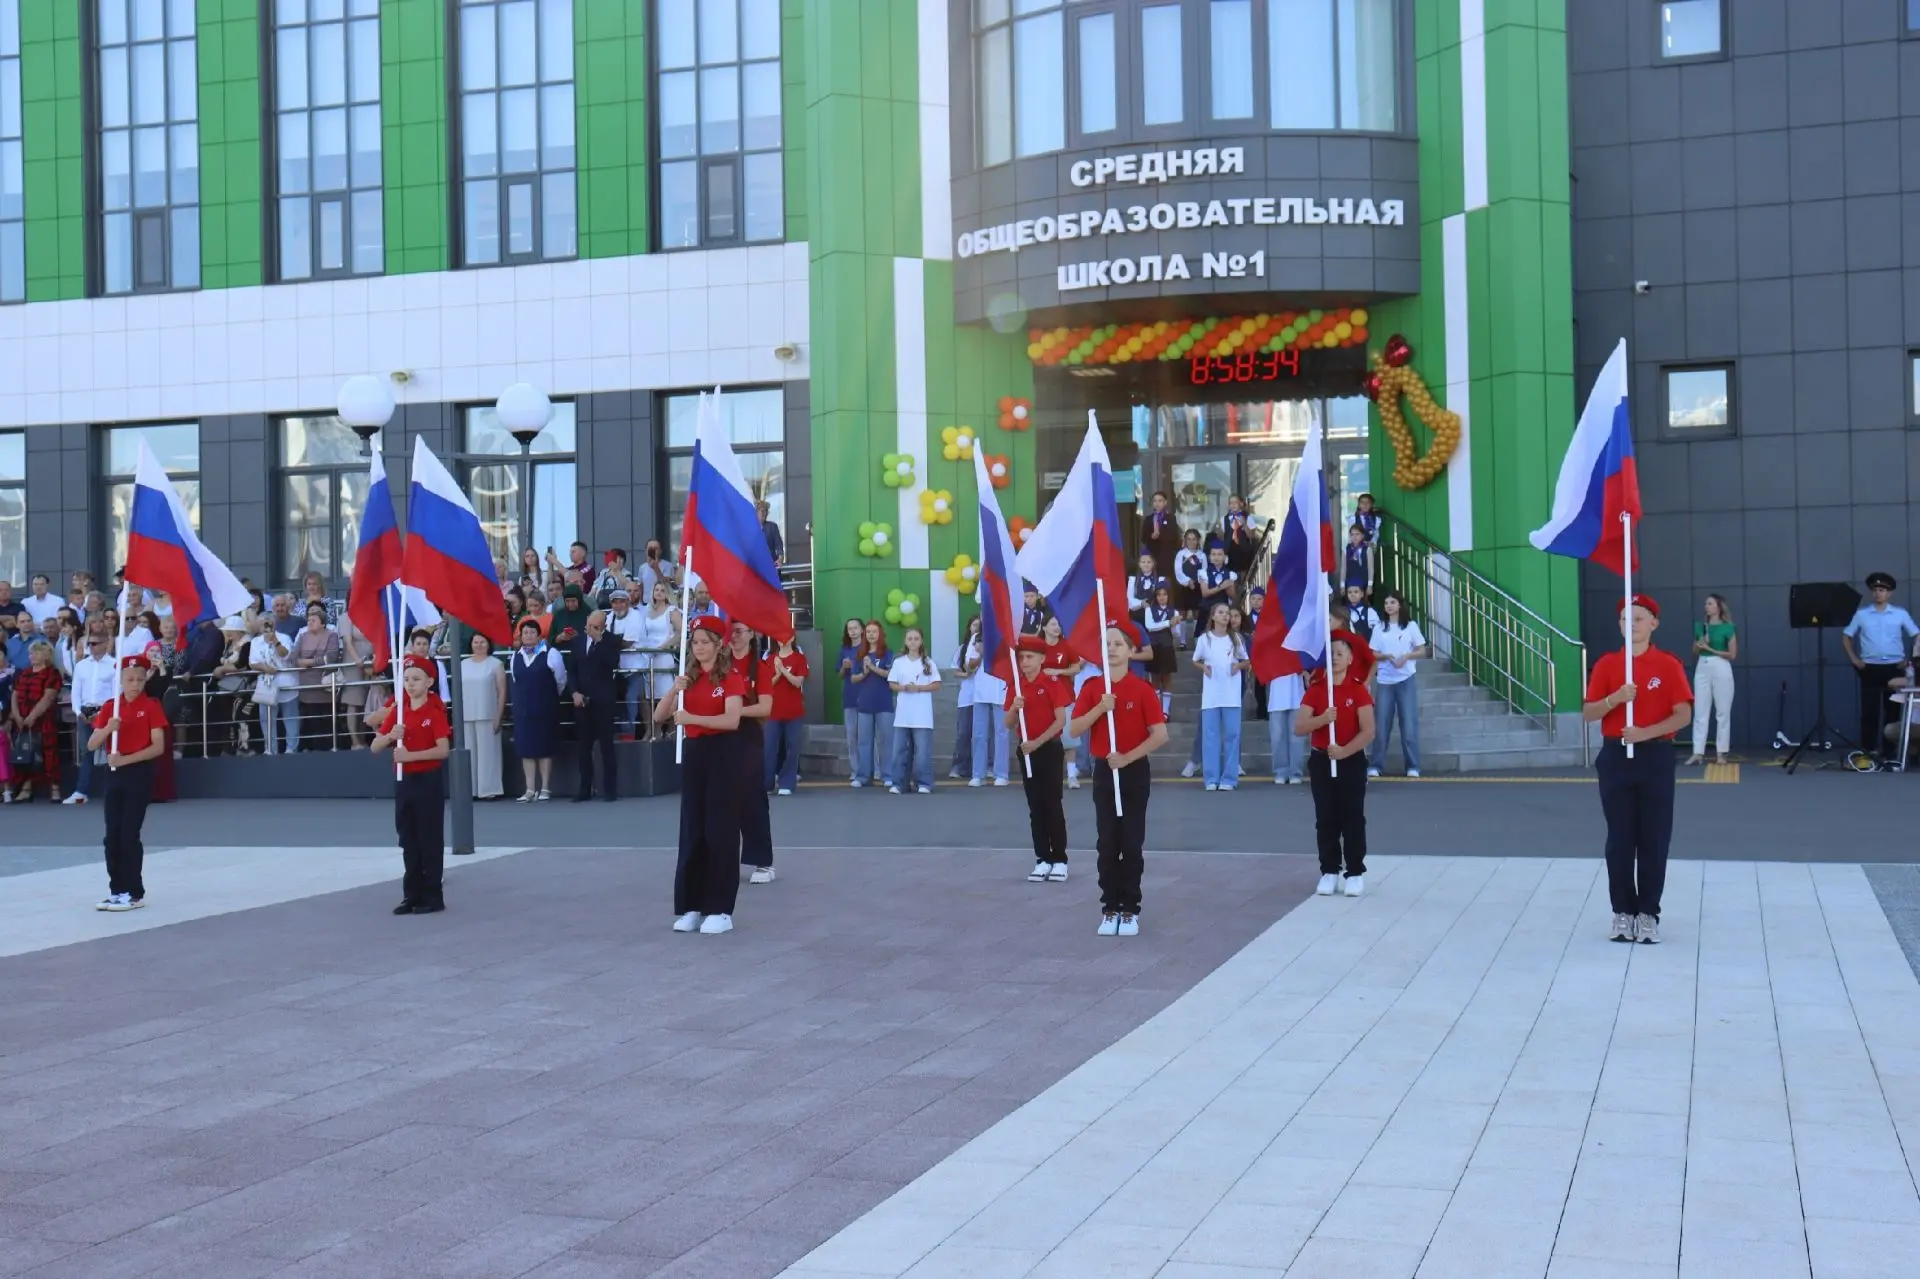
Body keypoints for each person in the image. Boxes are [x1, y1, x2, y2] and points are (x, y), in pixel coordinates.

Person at [1583, 595, 1692, 944]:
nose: (1631, 625)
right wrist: (1615, 699)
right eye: (1625, 619)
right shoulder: (1607, 664)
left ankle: (1647, 913)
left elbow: (1683, 714)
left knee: (1653, 838)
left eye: (1639, 619)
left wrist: (1645, 732)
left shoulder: (1667, 664)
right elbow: (1589, 712)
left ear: (1653, 624)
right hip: (1616, 757)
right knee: (1620, 839)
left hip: (1654, 757)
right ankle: (1622, 912)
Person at [1070, 621, 1169, 936]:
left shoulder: (1142, 689)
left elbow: (1160, 734)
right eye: (1107, 644)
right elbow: (1074, 728)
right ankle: (1109, 907)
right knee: (1107, 843)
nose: (1111, 649)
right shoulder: (1092, 688)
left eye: (1118, 644)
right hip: (1104, 771)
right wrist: (1101, 708)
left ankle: (1130, 910)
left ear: (1130, 651)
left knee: (1132, 842)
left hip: (1133, 770)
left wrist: (1128, 757)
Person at [655, 615, 746, 934]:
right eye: (695, 642)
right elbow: (660, 716)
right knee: (692, 829)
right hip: (695, 754)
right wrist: (673, 691)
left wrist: (693, 718)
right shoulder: (688, 678)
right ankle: (692, 905)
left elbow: (732, 720)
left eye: (705, 642)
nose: (699, 647)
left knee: (720, 830)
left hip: (723, 754)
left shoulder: (731, 677)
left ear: (719, 644)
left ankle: (720, 909)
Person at [1298, 630, 1377, 898]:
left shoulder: (1358, 689)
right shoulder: (1317, 689)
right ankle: (1329, 870)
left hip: (1350, 760)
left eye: (1340, 653)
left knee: (1352, 817)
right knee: (1325, 817)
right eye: (1331, 654)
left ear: (1350, 658)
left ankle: (1354, 872)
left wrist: (1344, 752)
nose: (1335, 657)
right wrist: (1322, 719)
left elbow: (1369, 731)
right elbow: (1299, 726)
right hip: (1322, 760)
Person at [370, 655, 452, 915]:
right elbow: (375, 746)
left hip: (427, 779)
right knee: (408, 838)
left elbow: (443, 750)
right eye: (406, 679)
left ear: (429, 682)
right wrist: (390, 737)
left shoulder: (434, 711)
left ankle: (432, 895)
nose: (410, 684)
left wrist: (411, 756)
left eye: (416, 679)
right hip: (404, 781)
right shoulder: (398, 711)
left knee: (429, 838)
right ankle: (411, 894)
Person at [87, 656, 169, 911]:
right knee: (111, 835)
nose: (135, 684)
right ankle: (117, 890)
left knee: (128, 834)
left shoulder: (152, 705)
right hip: (114, 773)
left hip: (138, 772)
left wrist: (125, 760)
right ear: (121, 681)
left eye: (140, 680)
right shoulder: (111, 707)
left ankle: (134, 892)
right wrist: (107, 729)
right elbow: (91, 744)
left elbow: (158, 747)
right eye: (130, 679)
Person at [1006, 636, 1069, 882]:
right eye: (1021, 657)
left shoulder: (1052, 683)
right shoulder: (1017, 685)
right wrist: (1014, 707)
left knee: (1052, 804)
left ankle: (1060, 859)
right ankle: (1042, 858)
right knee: (1035, 807)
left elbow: (1060, 720)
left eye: (1030, 657)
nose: (1025, 662)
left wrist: (1037, 742)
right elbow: (1008, 723)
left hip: (1049, 749)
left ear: (1042, 659)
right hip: (1026, 751)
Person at [1842, 572, 1918, 759]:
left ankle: (1889, 751)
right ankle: (1867, 750)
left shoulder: (1900, 614)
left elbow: (1917, 634)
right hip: (1870, 667)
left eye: (1882, 590)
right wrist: (1854, 659)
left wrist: (1910, 660)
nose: (1878, 593)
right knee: (1869, 711)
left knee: (1892, 710)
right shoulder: (1862, 615)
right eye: (1875, 589)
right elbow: (1846, 636)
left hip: (1894, 668)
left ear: (1889, 593)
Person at [728, 622, 778, 878]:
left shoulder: (760, 668)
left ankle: (763, 862)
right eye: (732, 631)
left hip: (747, 736)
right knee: (723, 801)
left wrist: (735, 712)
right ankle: (722, 860)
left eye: (740, 631)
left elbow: (765, 707)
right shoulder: (720, 666)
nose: (734, 636)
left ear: (751, 635)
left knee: (752, 800)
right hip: (720, 736)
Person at [1370, 589, 1428, 779]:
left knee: (1409, 723)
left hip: (1406, 679)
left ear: (1400, 605)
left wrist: (1406, 656)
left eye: (1392, 602)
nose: (1389, 606)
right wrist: (1386, 656)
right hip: (1385, 680)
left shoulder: (1410, 626)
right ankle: (1376, 765)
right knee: (1381, 724)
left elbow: (1422, 650)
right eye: (1386, 603)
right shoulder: (1379, 627)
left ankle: (1413, 766)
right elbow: (1372, 653)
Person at [509, 617, 568, 801]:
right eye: (525, 632)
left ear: (539, 635)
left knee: (544, 748)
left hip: (545, 708)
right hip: (523, 710)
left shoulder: (551, 654)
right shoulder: (516, 656)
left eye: (532, 632)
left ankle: (545, 788)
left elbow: (561, 680)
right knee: (525, 749)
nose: (528, 635)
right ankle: (529, 789)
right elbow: (515, 680)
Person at [566, 609, 622, 802]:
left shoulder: (611, 640)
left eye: (595, 627)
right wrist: (574, 692)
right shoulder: (578, 641)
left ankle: (610, 789)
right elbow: (572, 670)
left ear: (603, 626)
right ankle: (584, 788)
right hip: (582, 701)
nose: (590, 629)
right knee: (583, 747)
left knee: (606, 746)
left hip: (603, 701)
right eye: (589, 625)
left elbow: (613, 663)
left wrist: (600, 641)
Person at [1194, 603, 1249, 792]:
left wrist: (1237, 666)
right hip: (1211, 696)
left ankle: (1229, 779)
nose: (1226, 616)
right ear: (1213, 617)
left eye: (1227, 613)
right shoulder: (1205, 639)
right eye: (1221, 613)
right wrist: (1204, 667)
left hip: (1231, 695)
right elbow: (1195, 660)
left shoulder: (1236, 639)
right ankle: (1211, 778)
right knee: (1210, 737)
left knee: (1232, 736)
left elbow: (1246, 660)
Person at [65, 628, 118, 806]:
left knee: (110, 752)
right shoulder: (81, 665)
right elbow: (75, 692)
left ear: (106, 644)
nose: (91, 647)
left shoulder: (114, 664)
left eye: (95, 643)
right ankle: (81, 792)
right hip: (85, 713)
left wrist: (103, 713)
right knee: (86, 753)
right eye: (89, 644)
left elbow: (116, 693)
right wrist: (78, 712)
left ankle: (113, 790)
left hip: (105, 712)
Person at [887, 627, 941, 794]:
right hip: (903, 715)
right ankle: (899, 783)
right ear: (905, 641)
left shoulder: (928, 662)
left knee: (923, 751)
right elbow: (892, 683)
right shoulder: (899, 662)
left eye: (916, 639)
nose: (913, 642)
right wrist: (904, 687)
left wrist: (918, 688)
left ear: (921, 641)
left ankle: (924, 783)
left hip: (922, 715)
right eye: (910, 639)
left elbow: (936, 684)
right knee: (899, 751)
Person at [8, 640, 64, 802]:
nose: (31, 656)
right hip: (22, 720)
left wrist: (32, 717)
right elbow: (14, 695)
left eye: (36, 652)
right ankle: (26, 788)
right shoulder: (24, 673)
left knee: (48, 753)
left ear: (46, 655)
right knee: (25, 753)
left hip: (43, 719)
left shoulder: (52, 673)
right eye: (31, 653)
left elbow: (48, 697)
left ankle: (54, 788)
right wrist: (17, 716)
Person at [1688, 593, 1738, 765]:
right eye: (1705, 604)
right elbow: (1695, 651)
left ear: (1718, 607)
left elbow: (1732, 654)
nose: (1706, 607)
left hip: (1721, 666)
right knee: (1700, 710)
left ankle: (1721, 753)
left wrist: (1711, 649)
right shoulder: (1700, 627)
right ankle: (1697, 752)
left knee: (1722, 711)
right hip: (1702, 665)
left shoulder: (1728, 627)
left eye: (1710, 603)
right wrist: (1700, 643)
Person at [460, 632, 507, 799]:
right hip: (466, 715)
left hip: (488, 714)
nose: (479, 645)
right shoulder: (463, 664)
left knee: (489, 755)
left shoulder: (496, 664)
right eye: (476, 642)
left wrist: (498, 716)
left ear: (488, 644)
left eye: (482, 642)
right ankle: (471, 790)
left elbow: (502, 692)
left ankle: (489, 789)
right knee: (470, 755)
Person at [292, 603, 344, 750]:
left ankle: (330, 749)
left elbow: (331, 658)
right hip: (307, 688)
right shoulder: (302, 636)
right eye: (308, 620)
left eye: (313, 620)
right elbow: (293, 658)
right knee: (312, 722)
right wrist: (309, 661)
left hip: (325, 688)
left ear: (322, 623)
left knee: (327, 722)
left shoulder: (331, 635)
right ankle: (315, 750)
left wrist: (308, 662)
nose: (309, 622)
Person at [966, 618, 1010, 787]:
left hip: (1001, 690)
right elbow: (969, 666)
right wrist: (981, 654)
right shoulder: (977, 637)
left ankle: (1001, 773)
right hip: (981, 692)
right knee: (979, 734)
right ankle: (978, 773)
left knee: (1002, 733)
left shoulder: (1007, 635)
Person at [849, 620, 894, 787]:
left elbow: (890, 675)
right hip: (865, 703)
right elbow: (853, 678)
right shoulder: (859, 655)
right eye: (868, 632)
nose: (871, 634)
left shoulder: (887, 653)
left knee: (886, 740)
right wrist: (865, 672)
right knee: (864, 741)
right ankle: (863, 776)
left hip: (884, 702)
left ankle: (887, 775)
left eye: (874, 631)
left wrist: (873, 668)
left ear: (880, 634)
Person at [637, 580, 684, 736]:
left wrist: (665, 646)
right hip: (649, 656)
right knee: (649, 695)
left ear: (667, 593)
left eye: (662, 590)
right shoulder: (647, 610)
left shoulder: (672, 611)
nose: (659, 593)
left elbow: (681, 632)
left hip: (664, 655)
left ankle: (668, 730)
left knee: (667, 694)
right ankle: (653, 730)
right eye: (656, 589)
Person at [765, 632, 808, 798]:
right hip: (772, 711)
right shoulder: (770, 659)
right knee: (769, 747)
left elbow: (798, 682)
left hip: (793, 711)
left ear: (792, 639)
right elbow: (766, 684)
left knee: (792, 747)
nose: (782, 640)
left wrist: (783, 670)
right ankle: (767, 783)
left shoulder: (799, 658)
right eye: (779, 637)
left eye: (786, 637)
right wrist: (777, 674)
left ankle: (787, 782)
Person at [249, 616, 298, 754]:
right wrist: (264, 668)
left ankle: (291, 749)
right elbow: (252, 662)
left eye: (268, 623)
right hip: (266, 685)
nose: (266, 626)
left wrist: (275, 641)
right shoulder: (255, 641)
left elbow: (286, 655)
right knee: (266, 719)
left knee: (290, 718)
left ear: (274, 624)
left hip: (286, 684)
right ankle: (270, 748)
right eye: (264, 623)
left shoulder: (284, 638)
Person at [605, 589, 648, 739]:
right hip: (616, 669)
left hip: (635, 668)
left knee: (631, 701)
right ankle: (622, 735)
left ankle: (631, 736)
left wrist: (606, 640)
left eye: (622, 602)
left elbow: (627, 643)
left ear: (628, 603)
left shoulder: (635, 616)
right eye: (615, 602)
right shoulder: (609, 617)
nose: (618, 605)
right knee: (618, 703)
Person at [950, 619, 979, 780]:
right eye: (974, 625)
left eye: (979, 625)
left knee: (983, 734)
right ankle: (959, 767)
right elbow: (955, 671)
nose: (977, 628)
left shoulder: (988, 648)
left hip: (984, 697)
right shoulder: (962, 649)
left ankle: (985, 766)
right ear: (969, 628)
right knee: (963, 732)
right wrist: (966, 674)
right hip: (967, 697)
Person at [834, 617, 864, 777]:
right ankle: (855, 771)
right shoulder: (844, 650)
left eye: (855, 628)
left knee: (867, 737)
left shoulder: (867, 648)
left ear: (862, 630)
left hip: (866, 697)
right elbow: (839, 675)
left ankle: (874, 770)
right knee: (851, 736)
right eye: (849, 629)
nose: (852, 631)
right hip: (849, 697)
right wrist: (844, 667)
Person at [1143, 585, 1179, 714]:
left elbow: (1176, 634)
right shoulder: (1149, 610)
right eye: (1159, 595)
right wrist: (1168, 623)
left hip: (1167, 646)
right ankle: (1157, 710)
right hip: (1154, 646)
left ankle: (1165, 711)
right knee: (1155, 677)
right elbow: (1150, 626)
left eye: (1165, 594)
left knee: (1167, 677)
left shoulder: (1174, 612)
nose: (1162, 597)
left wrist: (1175, 626)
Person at [1268, 665, 1305, 784]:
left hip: (1296, 694)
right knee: (1277, 737)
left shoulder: (1297, 651)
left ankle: (1295, 772)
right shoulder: (1272, 652)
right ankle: (1281, 771)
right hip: (1277, 696)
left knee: (1296, 737)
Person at [1141, 490, 1179, 585]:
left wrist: (1160, 535)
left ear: (1165, 502)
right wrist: (1151, 536)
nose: (1157, 503)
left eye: (1160, 501)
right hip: (1152, 556)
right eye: (1155, 501)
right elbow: (1143, 538)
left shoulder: (1171, 518)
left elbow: (1174, 536)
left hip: (1166, 556)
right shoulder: (1148, 519)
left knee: (1165, 583)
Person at [1127, 552, 1168, 627]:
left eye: (1149, 562)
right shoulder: (1133, 580)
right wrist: (1141, 603)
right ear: (1139, 564)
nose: (1146, 564)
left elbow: (1164, 599)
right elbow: (1129, 600)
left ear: (1153, 564)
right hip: (1137, 617)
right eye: (1143, 562)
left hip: (1155, 617)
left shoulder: (1160, 579)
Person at [1198, 545, 1237, 620]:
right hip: (1207, 610)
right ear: (1210, 557)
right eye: (1213, 554)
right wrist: (1221, 587)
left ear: (1224, 557)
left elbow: (1234, 597)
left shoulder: (1230, 574)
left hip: (1224, 610)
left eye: (1219, 554)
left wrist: (1229, 588)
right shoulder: (1204, 573)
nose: (1216, 557)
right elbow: (1205, 593)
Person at [757, 499, 785, 566]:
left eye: (766, 511)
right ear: (756, 512)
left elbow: (779, 545)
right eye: (762, 511)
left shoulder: (772, 527)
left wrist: (780, 558)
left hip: (771, 564)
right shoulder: (750, 528)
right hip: (756, 566)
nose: (765, 513)